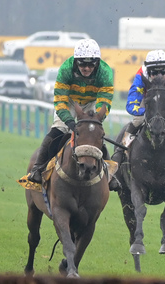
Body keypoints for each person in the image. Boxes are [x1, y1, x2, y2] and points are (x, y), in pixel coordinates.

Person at [25, 39, 120, 191]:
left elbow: (104, 101)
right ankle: (38, 168)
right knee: (59, 130)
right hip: (69, 101)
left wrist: (96, 119)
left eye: (91, 64)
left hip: (92, 102)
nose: (87, 68)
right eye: (83, 64)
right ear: (76, 61)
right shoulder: (66, 69)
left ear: (97, 63)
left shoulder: (105, 72)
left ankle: (110, 175)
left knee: (94, 133)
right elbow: (60, 99)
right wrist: (69, 121)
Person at [115, 49, 165, 171]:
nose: (158, 76)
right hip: (148, 98)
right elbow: (131, 105)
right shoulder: (140, 76)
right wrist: (145, 111)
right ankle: (120, 151)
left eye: (162, 72)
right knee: (138, 120)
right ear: (147, 71)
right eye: (153, 72)